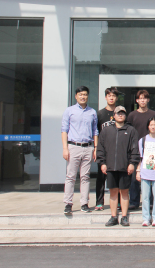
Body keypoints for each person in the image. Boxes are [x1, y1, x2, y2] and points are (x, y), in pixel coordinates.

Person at [96, 106, 140, 227]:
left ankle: (124, 217)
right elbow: (100, 148)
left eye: (122, 113)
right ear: (113, 116)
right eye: (118, 113)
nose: (120, 115)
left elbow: (135, 149)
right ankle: (113, 216)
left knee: (124, 192)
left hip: (125, 167)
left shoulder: (131, 130)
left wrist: (132, 163)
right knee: (113, 192)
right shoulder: (106, 131)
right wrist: (102, 163)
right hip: (110, 167)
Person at [61, 85, 98, 214]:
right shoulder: (69, 111)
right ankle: (68, 203)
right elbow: (64, 130)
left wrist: (95, 148)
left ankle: (84, 203)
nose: (83, 97)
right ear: (76, 96)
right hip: (73, 147)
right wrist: (65, 148)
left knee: (85, 177)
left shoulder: (92, 112)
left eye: (85, 94)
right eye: (81, 94)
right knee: (70, 176)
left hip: (88, 147)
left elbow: (95, 131)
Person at [126, 90, 155, 211]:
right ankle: (134, 201)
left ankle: (150, 202)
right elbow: (128, 132)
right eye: (140, 98)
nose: (142, 100)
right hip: (135, 149)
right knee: (135, 177)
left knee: (150, 176)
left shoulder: (153, 114)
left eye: (144, 98)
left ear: (148, 100)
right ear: (137, 100)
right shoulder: (132, 115)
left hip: (151, 149)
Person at [94, 87, 120, 211]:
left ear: (117, 98)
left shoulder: (120, 112)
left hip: (117, 149)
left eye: (113, 96)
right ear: (105, 97)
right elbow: (95, 132)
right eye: (109, 95)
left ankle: (118, 201)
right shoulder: (100, 114)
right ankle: (99, 202)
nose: (111, 98)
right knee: (101, 176)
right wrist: (96, 148)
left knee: (118, 176)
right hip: (103, 149)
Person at [137, 116, 155, 227]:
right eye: (151, 125)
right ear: (148, 126)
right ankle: (146, 218)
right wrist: (138, 171)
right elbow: (140, 158)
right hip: (145, 172)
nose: (153, 127)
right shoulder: (143, 140)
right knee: (145, 197)